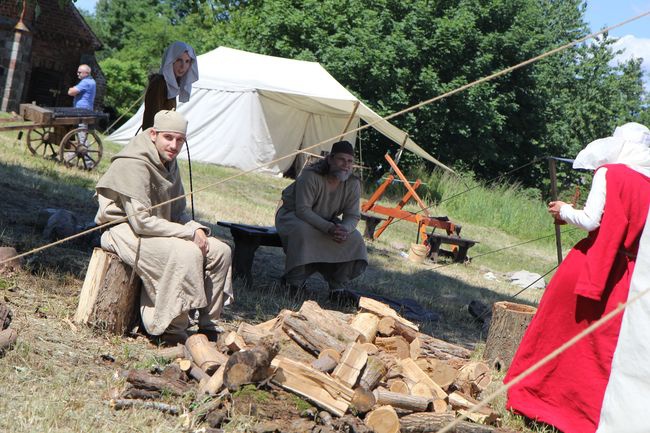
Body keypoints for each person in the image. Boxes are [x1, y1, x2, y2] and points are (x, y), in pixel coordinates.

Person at [505, 122, 650, 433]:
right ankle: (589, 419)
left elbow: (590, 220)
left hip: (593, 265)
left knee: (556, 332)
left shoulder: (611, 172)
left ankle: (535, 401)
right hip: (628, 280)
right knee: (601, 352)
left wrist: (564, 210)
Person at [95, 110, 233, 345]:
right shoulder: (134, 163)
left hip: (158, 228)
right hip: (123, 230)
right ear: (153, 134)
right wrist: (189, 234)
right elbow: (140, 222)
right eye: (168, 137)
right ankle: (171, 329)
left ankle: (208, 326)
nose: (174, 145)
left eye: (180, 140)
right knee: (187, 253)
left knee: (221, 251)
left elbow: (177, 212)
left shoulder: (169, 162)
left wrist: (196, 228)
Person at [275, 140, 368, 296]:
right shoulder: (310, 176)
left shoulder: (352, 183)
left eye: (350, 161)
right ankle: (294, 283)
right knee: (303, 233)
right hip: (292, 215)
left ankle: (337, 286)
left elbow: (352, 215)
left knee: (355, 238)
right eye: (341, 159)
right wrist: (329, 228)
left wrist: (344, 229)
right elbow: (303, 210)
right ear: (330, 159)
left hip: (326, 220)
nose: (346, 165)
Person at [142, 41, 198, 131]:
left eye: (187, 61)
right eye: (179, 60)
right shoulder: (159, 83)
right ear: (170, 60)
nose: (183, 66)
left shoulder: (171, 84)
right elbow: (152, 120)